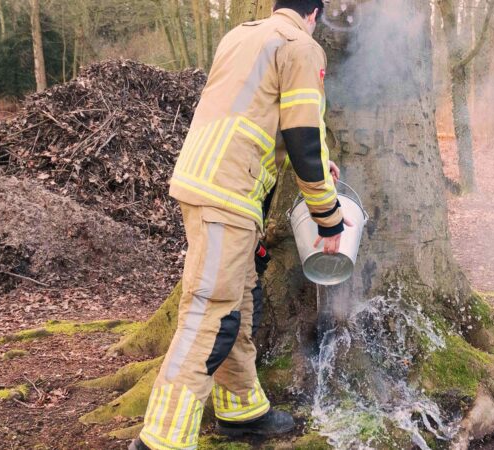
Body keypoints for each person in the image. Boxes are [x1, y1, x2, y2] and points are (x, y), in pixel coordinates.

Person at [130, 1, 350, 448]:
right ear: (315, 13)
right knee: (210, 314)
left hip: (205, 180)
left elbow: (257, 118)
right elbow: (304, 137)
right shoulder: (301, 47)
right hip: (228, 195)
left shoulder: (242, 35)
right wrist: (329, 220)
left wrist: (313, 167)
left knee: (240, 303)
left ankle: (241, 408)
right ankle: (161, 438)